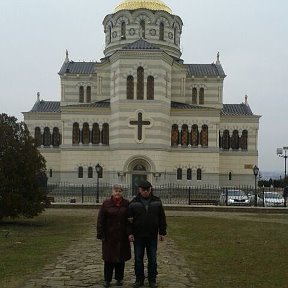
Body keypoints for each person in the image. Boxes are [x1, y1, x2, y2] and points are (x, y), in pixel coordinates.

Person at [128, 180, 167, 288]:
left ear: (151, 189)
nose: (145, 191)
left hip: (151, 235)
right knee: (138, 259)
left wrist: (162, 232)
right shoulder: (133, 203)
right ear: (139, 190)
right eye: (143, 190)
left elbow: (161, 218)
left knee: (152, 259)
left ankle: (152, 280)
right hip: (138, 236)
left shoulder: (157, 201)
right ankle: (139, 279)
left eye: (147, 189)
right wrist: (130, 233)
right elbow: (129, 220)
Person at [97, 184, 131, 287]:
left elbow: (130, 219)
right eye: (116, 190)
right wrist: (100, 233)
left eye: (120, 191)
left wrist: (130, 232)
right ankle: (107, 279)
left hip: (122, 236)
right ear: (112, 192)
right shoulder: (106, 204)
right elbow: (101, 219)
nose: (118, 192)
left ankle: (119, 278)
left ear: (122, 193)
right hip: (109, 236)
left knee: (121, 258)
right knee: (109, 259)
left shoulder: (127, 204)